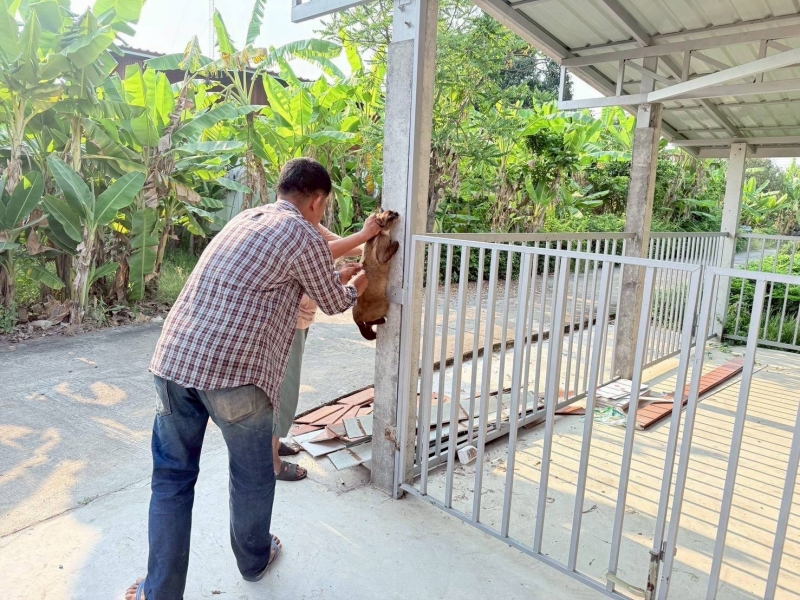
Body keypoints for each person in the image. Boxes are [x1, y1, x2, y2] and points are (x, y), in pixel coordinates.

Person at [125, 158, 368, 600]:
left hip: (173, 361)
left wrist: (337, 278)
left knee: (171, 481)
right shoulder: (304, 233)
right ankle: (254, 560)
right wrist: (361, 283)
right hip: (235, 375)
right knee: (252, 476)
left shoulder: (246, 218)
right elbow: (335, 303)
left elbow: (267, 281)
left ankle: (157, 593)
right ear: (317, 202)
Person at [274, 216, 381, 481]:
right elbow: (321, 256)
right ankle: (271, 462)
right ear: (315, 200)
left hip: (297, 319)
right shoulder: (293, 226)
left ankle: (272, 444)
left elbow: (345, 245)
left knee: (283, 389)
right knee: (283, 391)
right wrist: (354, 281)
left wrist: (370, 241)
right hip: (288, 321)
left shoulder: (310, 224)